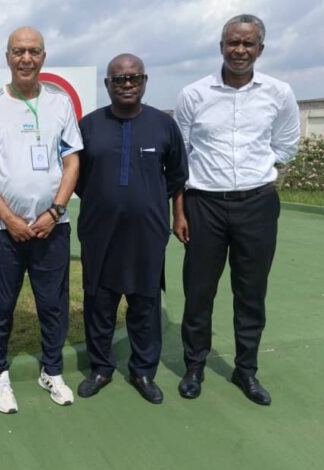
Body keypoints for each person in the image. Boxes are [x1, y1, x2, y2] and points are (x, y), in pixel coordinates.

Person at [174, 14, 300, 405]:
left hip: (257, 204)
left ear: (260, 49)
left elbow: (286, 145)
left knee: (251, 292)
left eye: (248, 44)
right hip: (204, 205)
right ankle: (194, 366)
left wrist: (254, 173)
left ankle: (246, 371)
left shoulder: (279, 93)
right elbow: (180, 157)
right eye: (233, 43)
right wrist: (179, 212)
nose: (239, 50)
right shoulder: (194, 94)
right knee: (198, 291)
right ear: (221, 46)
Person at [0, 27, 82, 414]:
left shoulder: (60, 103)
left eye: (33, 51)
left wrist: (55, 211)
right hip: (4, 230)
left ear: (44, 56)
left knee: (53, 305)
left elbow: (71, 161)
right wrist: (8, 217)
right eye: (18, 51)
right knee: (0, 308)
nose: (26, 59)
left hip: (53, 227)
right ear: (7, 57)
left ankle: (52, 370)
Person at [75, 54, 188, 404]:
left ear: (144, 82)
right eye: (119, 79)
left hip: (147, 233)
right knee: (99, 302)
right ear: (107, 84)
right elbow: (75, 178)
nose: (126, 84)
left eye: (134, 78)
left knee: (145, 305)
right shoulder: (88, 126)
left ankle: (142, 371)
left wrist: (176, 216)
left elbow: (177, 177)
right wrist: (105, 200)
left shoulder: (163, 126)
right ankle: (101, 368)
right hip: (99, 232)